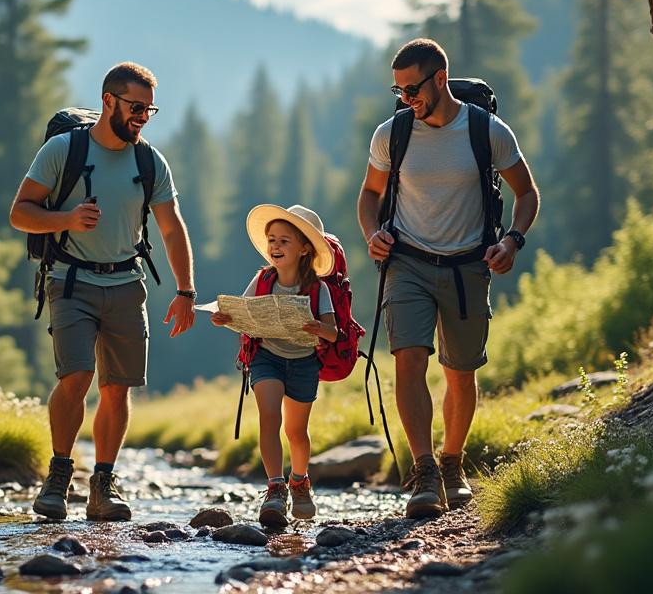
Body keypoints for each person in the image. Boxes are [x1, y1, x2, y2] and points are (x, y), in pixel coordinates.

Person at [356, 38, 540, 519]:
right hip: (407, 262)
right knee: (408, 359)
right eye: (397, 91)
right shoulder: (390, 134)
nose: (405, 99)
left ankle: (452, 462)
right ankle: (424, 471)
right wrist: (373, 233)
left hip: (468, 266)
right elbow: (369, 196)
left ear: (440, 78)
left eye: (412, 88)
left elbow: (526, 192)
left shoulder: (487, 131)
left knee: (460, 372)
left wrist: (512, 241)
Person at [9, 61, 197, 522]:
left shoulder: (149, 161)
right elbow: (20, 212)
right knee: (76, 378)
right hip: (71, 280)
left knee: (118, 388)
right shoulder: (62, 150)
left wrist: (186, 290)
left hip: (127, 284)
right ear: (108, 100)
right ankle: (58, 476)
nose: (143, 117)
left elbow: (172, 229)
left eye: (150, 110)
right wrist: (66, 220)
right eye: (136, 107)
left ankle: (102, 486)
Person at [212, 204, 341, 527]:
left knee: (296, 431)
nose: (275, 246)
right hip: (265, 356)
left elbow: (333, 331)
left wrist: (316, 329)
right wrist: (224, 317)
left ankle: (299, 480)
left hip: (303, 363)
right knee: (269, 417)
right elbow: (243, 312)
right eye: (272, 240)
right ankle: (275, 487)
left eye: (284, 241)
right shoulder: (261, 280)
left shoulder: (318, 288)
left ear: (304, 249)